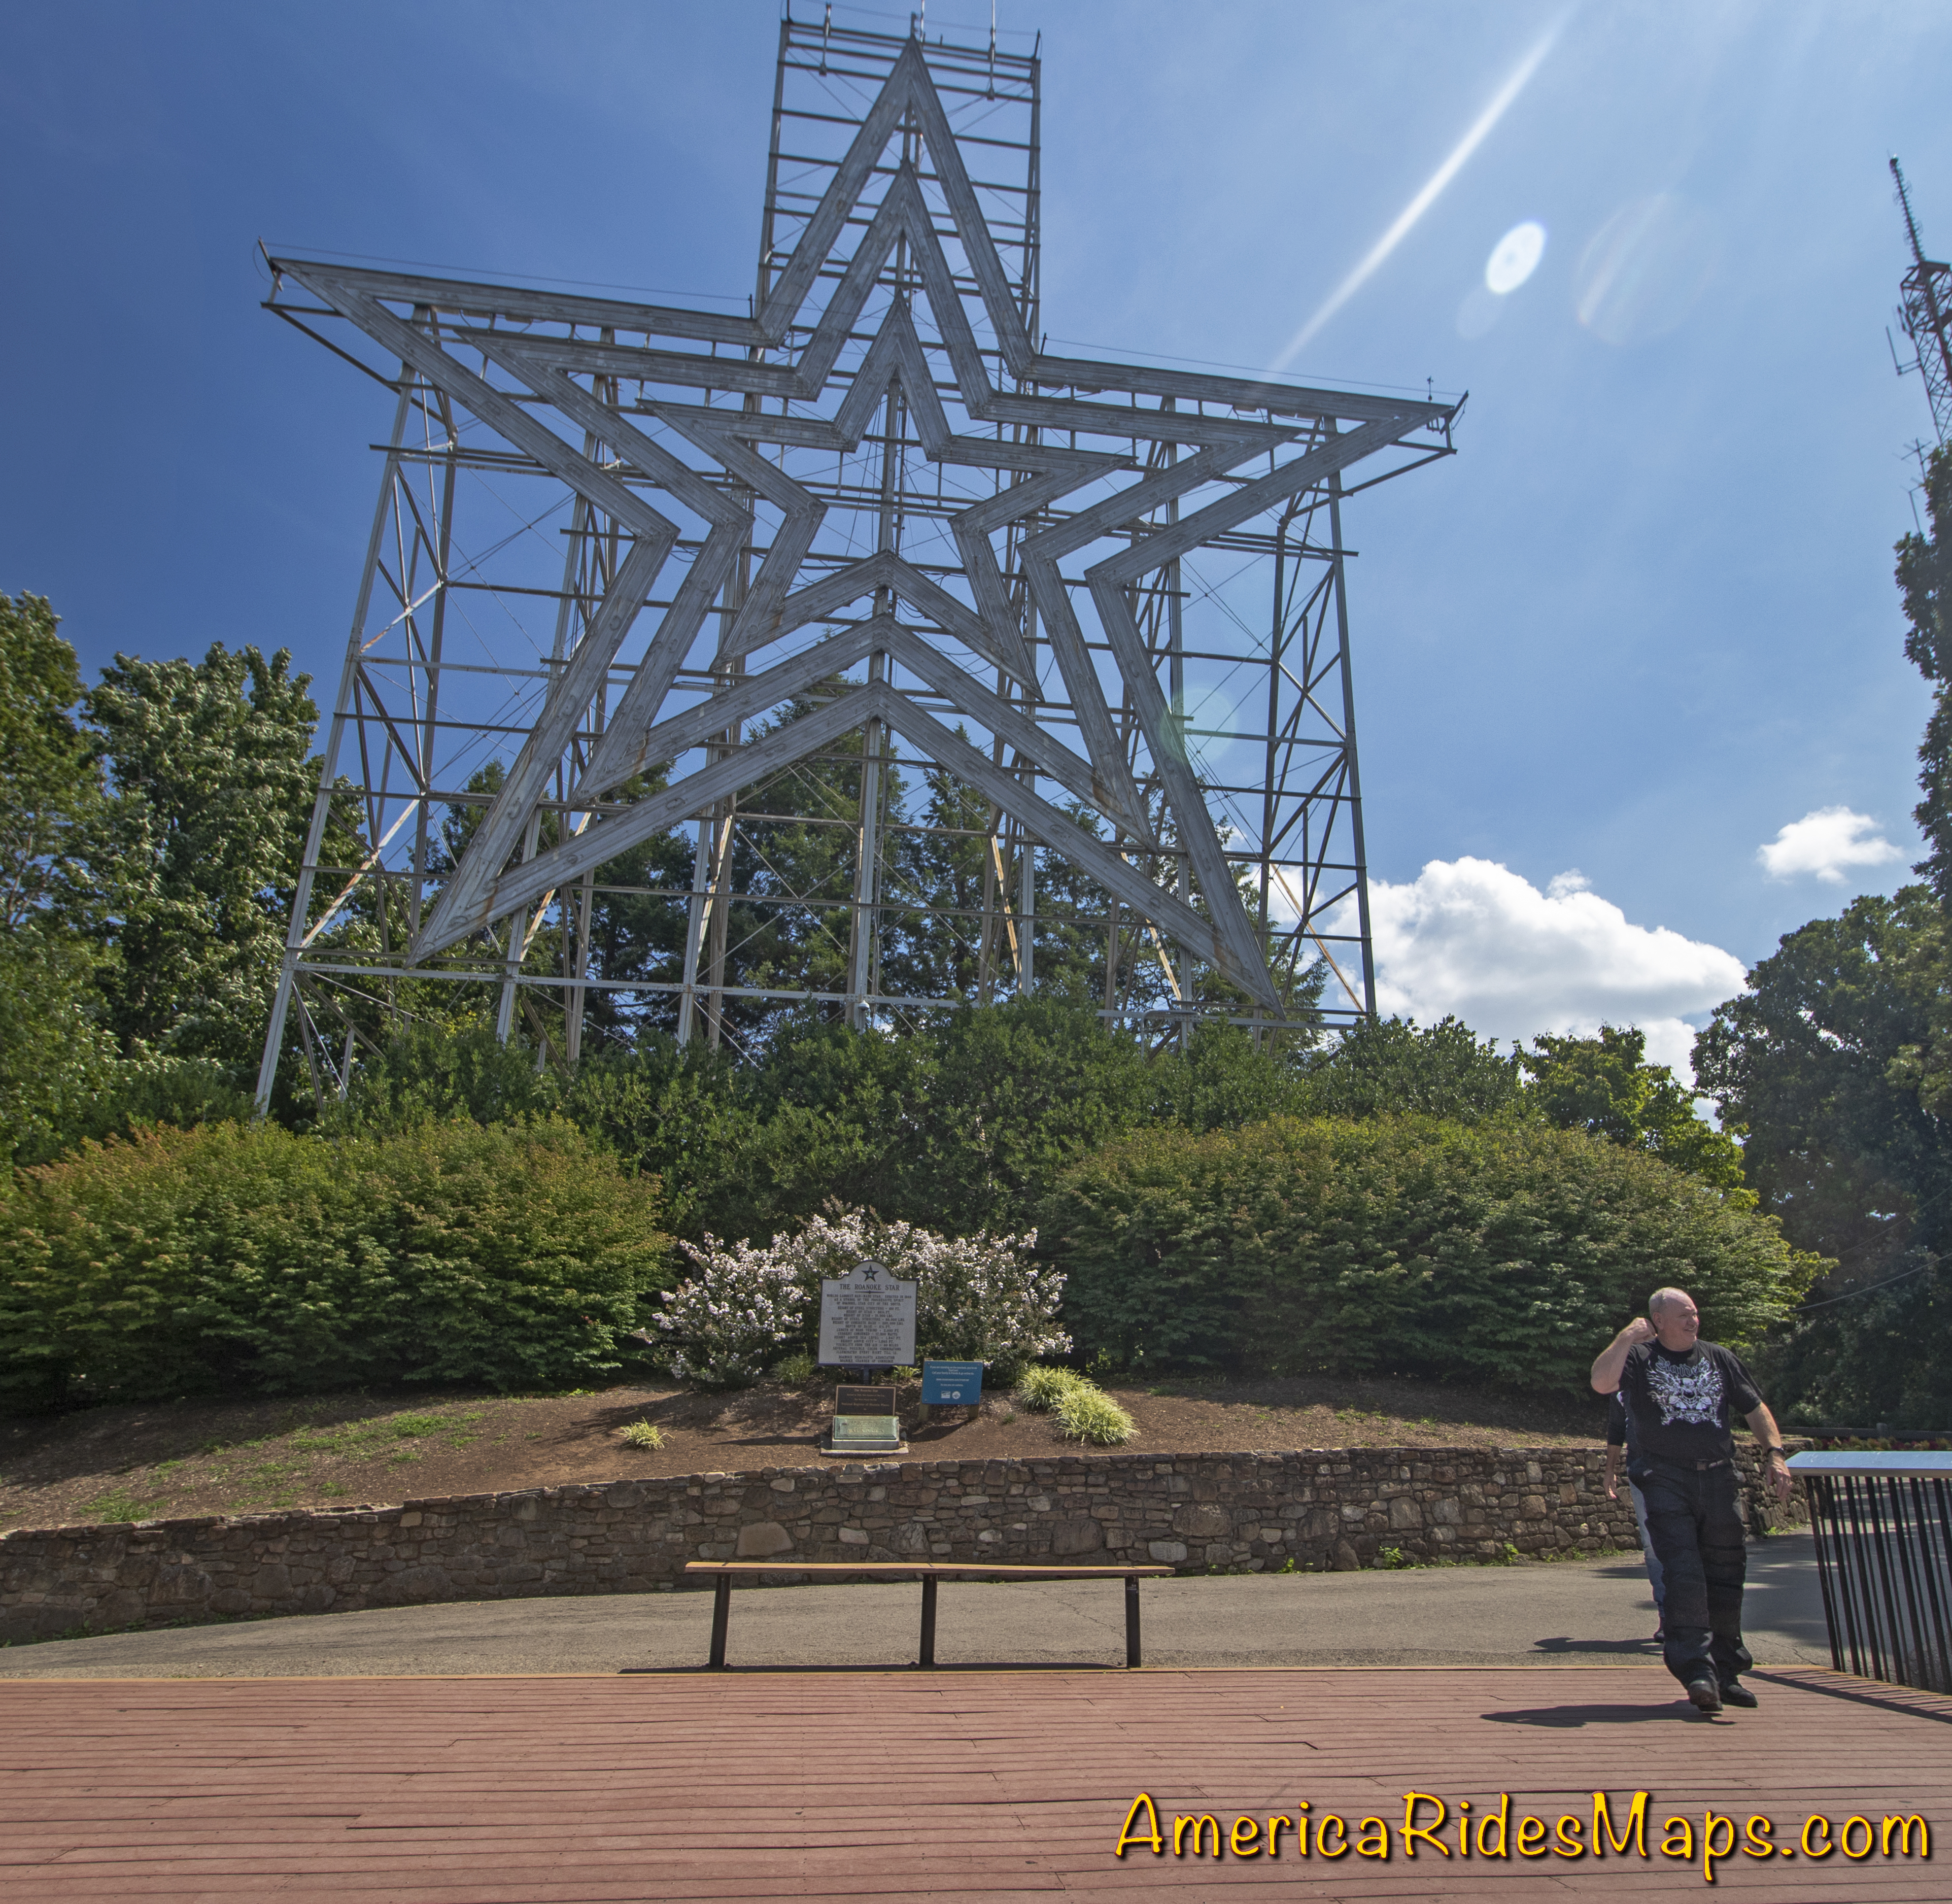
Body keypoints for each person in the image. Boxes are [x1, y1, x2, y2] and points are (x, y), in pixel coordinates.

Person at [1589, 1286, 1794, 1714]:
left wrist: (1774, 1453)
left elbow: (1754, 1407)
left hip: (1717, 1478)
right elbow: (1601, 1382)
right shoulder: (1639, 1359)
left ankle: (1727, 1672)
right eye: (1683, 1315)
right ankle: (1696, 1671)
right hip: (1663, 1477)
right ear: (1657, 1320)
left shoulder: (1718, 1358)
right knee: (1683, 1573)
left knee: (1725, 1573)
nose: (1692, 1321)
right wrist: (1626, 1337)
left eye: (1695, 1314)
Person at [1603, 1391, 1665, 1641]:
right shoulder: (1621, 1384)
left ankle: (1698, 1617)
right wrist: (1610, 1470)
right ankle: (1667, 1616)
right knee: (1653, 1545)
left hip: (1681, 1470)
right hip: (1641, 1471)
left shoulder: (1667, 1368)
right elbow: (1617, 1427)